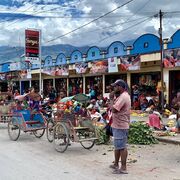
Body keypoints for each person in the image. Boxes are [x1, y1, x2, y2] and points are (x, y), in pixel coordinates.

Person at [109, 79, 131, 174]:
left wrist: (110, 99)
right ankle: (116, 164)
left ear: (121, 87)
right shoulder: (121, 96)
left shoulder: (123, 97)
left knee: (121, 147)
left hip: (121, 125)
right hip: (117, 124)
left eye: (116, 86)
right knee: (117, 146)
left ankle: (123, 168)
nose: (114, 88)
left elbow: (113, 109)